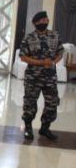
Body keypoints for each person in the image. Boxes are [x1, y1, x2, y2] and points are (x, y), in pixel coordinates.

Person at [19, 11, 64, 140]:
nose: (45, 22)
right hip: (33, 77)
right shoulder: (29, 38)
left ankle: (45, 128)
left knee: (52, 103)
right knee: (30, 103)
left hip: (50, 77)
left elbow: (60, 52)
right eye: (42, 20)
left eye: (46, 20)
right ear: (35, 23)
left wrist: (53, 62)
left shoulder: (55, 35)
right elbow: (23, 56)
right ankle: (28, 128)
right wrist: (41, 63)